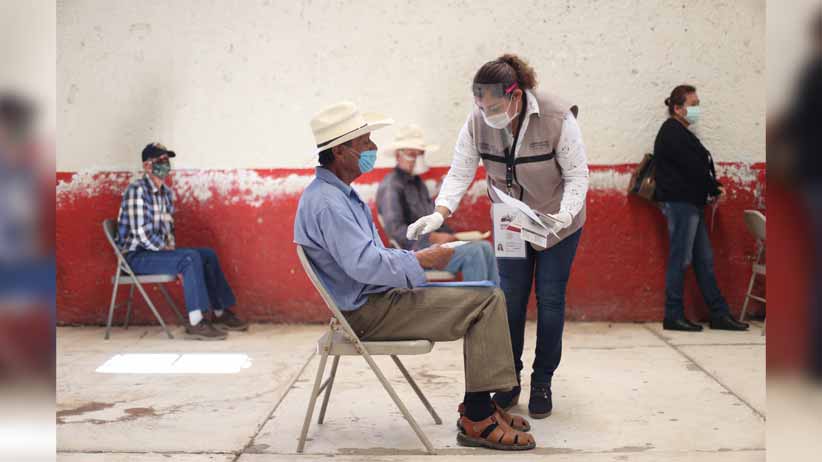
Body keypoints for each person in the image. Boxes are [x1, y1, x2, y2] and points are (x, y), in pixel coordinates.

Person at [294, 101, 535, 450]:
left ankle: (479, 406)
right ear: (340, 151)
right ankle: (478, 416)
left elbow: (368, 259)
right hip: (369, 311)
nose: (373, 148)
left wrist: (416, 259)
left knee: (485, 292)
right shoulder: (330, 203)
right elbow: (365, 265)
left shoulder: (335, 195)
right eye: (364, 142)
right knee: (486, 301)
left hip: (375, 300)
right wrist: (419, 259)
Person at [407, 54, 588, 419]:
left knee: (550, 299)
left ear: (515, 95)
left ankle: (542, 381)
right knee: (510, 301)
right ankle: (509, 379)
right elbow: (460, 172)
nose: (486, 113)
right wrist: (439, 212)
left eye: (493, 106)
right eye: (480, 105)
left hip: (557, 221)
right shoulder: (476, 122)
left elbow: (577, 175)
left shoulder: (556, 117)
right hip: (511, 220)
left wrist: (565, 214)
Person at [115, 143, 248, 340]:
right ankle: (196, 322)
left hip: (154, 252)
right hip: (135, 257)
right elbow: (141, 234)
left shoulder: (166, 193)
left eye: (167, 160)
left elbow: (168, 228)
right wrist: (168, 252)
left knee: (207, 255)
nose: (165, 164)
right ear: (147, 166)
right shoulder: (137, 191)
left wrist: (170, 249)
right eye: (160, 160)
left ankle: (220, 313)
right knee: (188, 258)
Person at [653, 85, 749, 332]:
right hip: (681, 204)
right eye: (693, 105)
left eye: (698, 104)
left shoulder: (681, 132)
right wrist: (714, 188)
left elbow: (696, 167)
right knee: (680, 259)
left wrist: (712, 186)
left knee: (703, 260)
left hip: (691, 205)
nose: (697, 109)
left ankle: (719, 313)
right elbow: (693, 169)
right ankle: (673, 314)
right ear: (678, 108)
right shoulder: (672, 132)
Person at [376, 124, 499, 284]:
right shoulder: (391, 186)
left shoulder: (418, 183)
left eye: (420, 154)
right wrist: (433, 237)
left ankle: (492, 299)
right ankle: (478, 300)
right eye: (412, 154)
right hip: (414, 252)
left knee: (485, 247)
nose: (417, 159)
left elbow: (432, 217)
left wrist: (449, 236)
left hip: (432, 245)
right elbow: (395, 231)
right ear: (398, 155)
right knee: (474, 252)